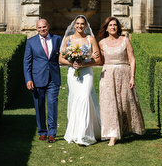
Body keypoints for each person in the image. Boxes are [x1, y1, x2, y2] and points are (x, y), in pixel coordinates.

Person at [97, 16, 145, 146]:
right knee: (109, 104)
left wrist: (132, 77)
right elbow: (101, 61)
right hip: (107, 75)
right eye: (110, 25)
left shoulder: (125, 40)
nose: (113, 27)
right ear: (106, 28)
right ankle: (113, 135)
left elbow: (132, 59)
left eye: (115, 25)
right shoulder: (101, 43)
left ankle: (122, 130)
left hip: (124, 72)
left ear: (118, 27)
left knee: (124, 103)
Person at [59, 15, 102, 145]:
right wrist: (71, 63)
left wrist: (84, 64)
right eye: (77, 23)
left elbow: (98, 60)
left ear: (86, 25)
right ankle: (74, 132)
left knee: (85, 98)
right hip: (73, 74)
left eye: (82, 24)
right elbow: (61, 58)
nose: (79, 26)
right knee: (74, 100)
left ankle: (85, 135)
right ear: (74, 25)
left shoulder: (91, 39)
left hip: (87, 73)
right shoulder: (68, 39)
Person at [24, 18, 62, 143]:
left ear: (49, 26)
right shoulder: (31, 42)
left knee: (52, 104)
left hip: (53, 78)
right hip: (37, 78)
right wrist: (28, 79)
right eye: (39, 28)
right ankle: (42, 132)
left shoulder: (57, 39)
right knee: (39, 105)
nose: (42, 29)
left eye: (44, 27)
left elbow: (62, 56)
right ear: (37, 29)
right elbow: (27, 62)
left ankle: (52, 133)